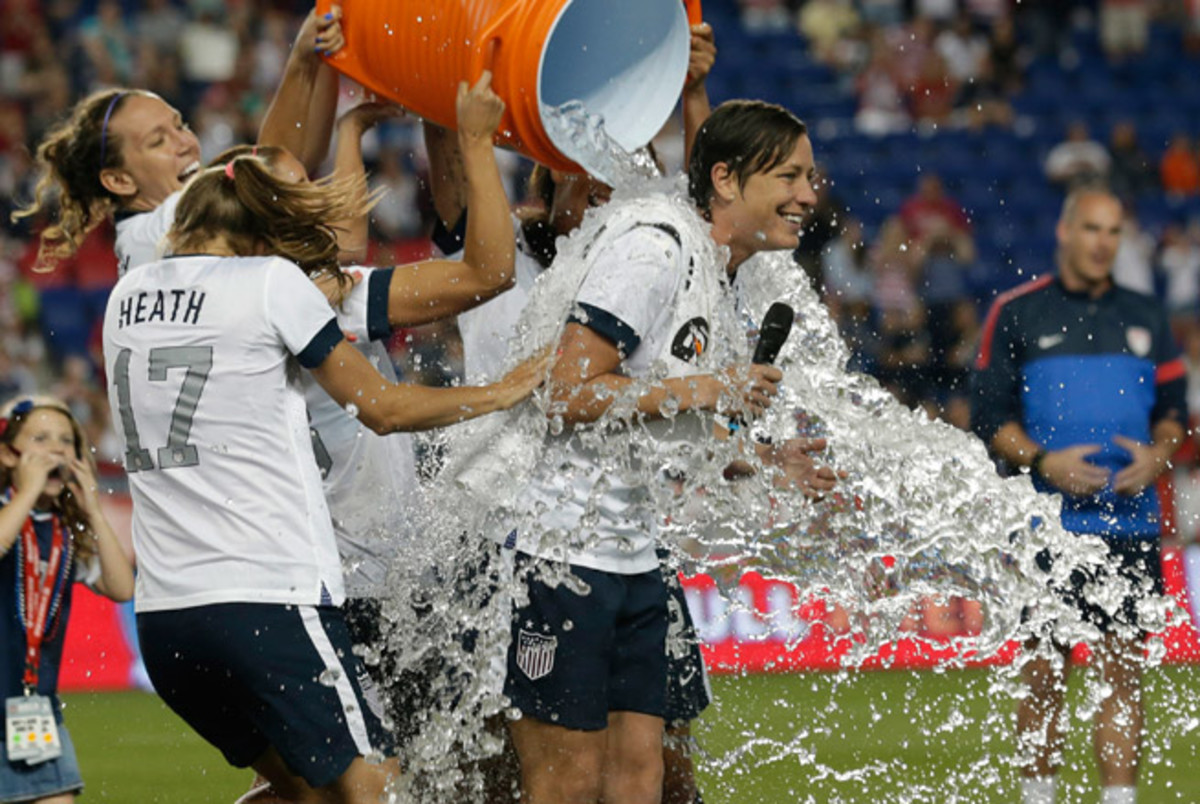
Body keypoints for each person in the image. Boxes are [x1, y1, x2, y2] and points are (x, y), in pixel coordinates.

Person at [101, 156, 545, 804]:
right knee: (381, 793)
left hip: (166, 622)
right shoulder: (271, 283)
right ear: (260, 235)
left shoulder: (126, 296)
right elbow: (383, 409)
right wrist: (500, 392)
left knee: (308, 797)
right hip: (267, 598)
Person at [489, 99, 837, 804]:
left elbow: (661, 422)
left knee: (641, 780)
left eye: (810, 177)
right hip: (560, 552)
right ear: (726, 180)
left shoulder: (718, 271)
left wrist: (762, 461)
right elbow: (566, 391)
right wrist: (715, 387)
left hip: (637, 558)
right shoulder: (656, 248)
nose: (809, 195)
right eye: (790, 177)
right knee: (566, 785)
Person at [426, 25, 722, 804]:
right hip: (513, 536)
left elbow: (710, 217)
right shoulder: (502, 264)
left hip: (627, 536)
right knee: (515, 770)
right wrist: (442, 80)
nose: (604, 203)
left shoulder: (649, 267)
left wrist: (692, 94)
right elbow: (455, 182)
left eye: (617, 190)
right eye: (585, 188)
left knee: (666, 768)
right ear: (550, 191)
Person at [970, 183, 1188, 804]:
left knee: (1123, 677)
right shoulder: (1017, 312)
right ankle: (1039, 797)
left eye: (1114, 232)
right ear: (1065, 232)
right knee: (1042, 675)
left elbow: (1174, 413)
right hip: (1047, 529)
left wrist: (1158, 455)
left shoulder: (1147, 314)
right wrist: (1044, 461)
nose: (1103, 243)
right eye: (1092, 228)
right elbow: (989, 418)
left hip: (1131, 527)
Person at [12, 5, 345, 274]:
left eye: (180, 125)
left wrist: (324, 59)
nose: (186, 143)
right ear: (119, 180)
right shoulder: (161, 229)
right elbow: (275, 171)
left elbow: (295, 162)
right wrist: (302, 60)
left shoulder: (157, 224)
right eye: (158, 142)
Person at [0, 396, 135, 804]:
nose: (56, 450)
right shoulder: (8, 515)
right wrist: (27, 491)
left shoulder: (63, 533)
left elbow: (122, 588)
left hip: (33, 714)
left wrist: (94, 511)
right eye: (40, 439)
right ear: (8, 454)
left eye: (66, 441)